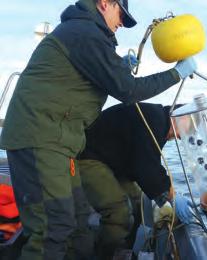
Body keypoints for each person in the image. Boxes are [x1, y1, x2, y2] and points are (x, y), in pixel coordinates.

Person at [0, 0, 196, 259]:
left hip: (62, 142)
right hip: (41, 136)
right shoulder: (85, 33)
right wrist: (176, 73)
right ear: (105, 3)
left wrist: (120, 67)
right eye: (121, 16)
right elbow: (128, 90)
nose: (121, 24)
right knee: (54, 227)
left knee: (79, 222)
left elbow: (95, 75)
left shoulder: (85, 34)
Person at [78, 102, 193, 258]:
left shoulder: (160, 122)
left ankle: (124, 250)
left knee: (138, 204)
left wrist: (169, 192)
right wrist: (170, 197)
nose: (179, 137)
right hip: (90, 157)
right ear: (177, 116)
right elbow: (145, 166)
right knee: (119, 211)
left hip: (114, 163)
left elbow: (150, 161)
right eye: (181, 132)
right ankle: (105, 255)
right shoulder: (153, 119)